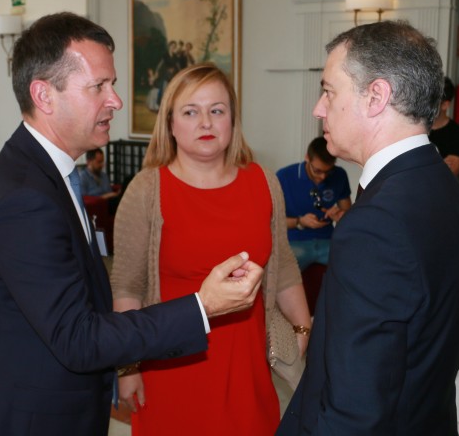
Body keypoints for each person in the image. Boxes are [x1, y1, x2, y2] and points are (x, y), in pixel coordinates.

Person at [0, 12, 265, 436]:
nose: (116, 101)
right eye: (99, 87)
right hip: (38, 418)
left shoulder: (45, 174)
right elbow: (78, 339)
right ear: (44, 95)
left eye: (114, 84)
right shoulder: (25, 198)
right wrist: (204, 306)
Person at [277, 20, 459, 435]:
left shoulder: (376, 225)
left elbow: (354, 406)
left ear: (376, 96)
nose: (319, 108)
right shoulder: (447, 191)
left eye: (329, 90)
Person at [111, 63, 311, 436]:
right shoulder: (147, 191)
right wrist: (128, 368)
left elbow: (282, 266)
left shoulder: (263, 182)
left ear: (232, 120)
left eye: (216, 111)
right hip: (171, 370)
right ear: (171, 123)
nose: (205, 122)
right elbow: (127, 288)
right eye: (191, 112)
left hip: (247, 371)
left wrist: (302, 329)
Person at [276, 136, 351, 270]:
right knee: (280, 271)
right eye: (318, 171)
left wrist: (340, 216)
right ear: (307, 158)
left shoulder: (339, 175)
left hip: (328, 242)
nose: (323, 177)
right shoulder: (284, 176)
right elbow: (272, 221)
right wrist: (300, 222)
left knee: (357, 260)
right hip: (295, 242)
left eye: (328, 171)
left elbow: (349, 216)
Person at [429, 76, 459, 180]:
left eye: (432, 101)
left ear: (445, 105)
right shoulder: (415, 128)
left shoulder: (458, 135)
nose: (426, 104)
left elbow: (445, 176)